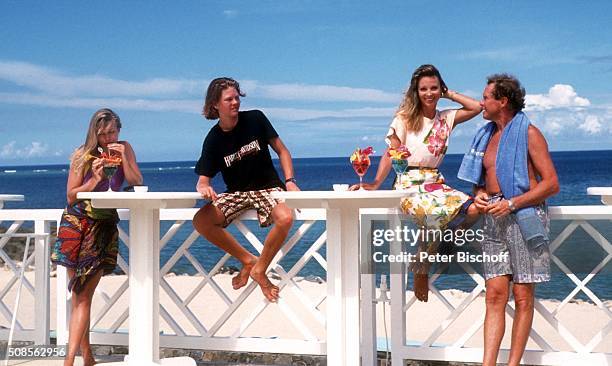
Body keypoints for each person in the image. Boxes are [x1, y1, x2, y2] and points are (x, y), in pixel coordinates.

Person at [353, 64, 482, 301]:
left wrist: (448, 93)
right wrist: (375, 183)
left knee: (474, 209)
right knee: (432, 214)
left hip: (435, 182)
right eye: (424, 89)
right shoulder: (403, 119)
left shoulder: (446, 118)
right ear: (416, 90)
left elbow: (477, 107)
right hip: (407, 183)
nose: (429, 93)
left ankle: (440, 245)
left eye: (434, 88)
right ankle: (421, 267)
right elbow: (390, 153)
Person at [457, 74, 559, 366]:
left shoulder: (530, 134)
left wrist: (512, 203)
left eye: (486, 97)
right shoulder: (486, 136)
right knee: (494, 295)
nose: (481, 102)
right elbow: (483, 179)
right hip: (493, 218)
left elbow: (551, 184)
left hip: (524, 217)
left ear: (502, 101)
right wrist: (477, 193)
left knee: (523, 296)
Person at [192, 77, 299, 303]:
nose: (235, 103)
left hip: (269, 187)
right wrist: (204, 187)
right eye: (228, 99)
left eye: (236, 98)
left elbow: (283, 151)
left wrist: (289, 180)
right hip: (237, 193)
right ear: (215, 105)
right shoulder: (213, 139)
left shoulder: (255, 119)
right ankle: (248, 260)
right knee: (201, 221)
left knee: (286, 217)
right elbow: (203, 180)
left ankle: (259, 269)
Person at [51, 108, 143, 366]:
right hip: (76, 226)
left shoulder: (125, 147)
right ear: (94, 132)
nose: (107, 138)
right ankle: (75, 360)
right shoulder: (83, 154)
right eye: (102, 134)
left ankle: (82, 358)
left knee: (82, 297)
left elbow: (136, 181)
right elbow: (71, 195)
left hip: (102, 226)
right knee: (80, 296)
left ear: (119, 130)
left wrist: (124, 159)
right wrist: (95, 180)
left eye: (112, 132)